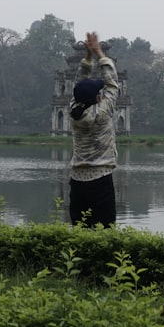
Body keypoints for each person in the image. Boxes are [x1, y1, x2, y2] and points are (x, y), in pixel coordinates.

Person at [68, 31, 120, 227]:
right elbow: (112, 84)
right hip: (100, 179)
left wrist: (87, 56)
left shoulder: (74, 112)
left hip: (77, 180)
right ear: (97, 98)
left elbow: (78, 83)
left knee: (80, 227)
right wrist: (98, 53)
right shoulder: (102, 113)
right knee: (104, 230)